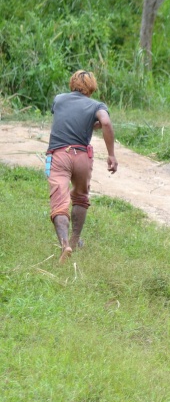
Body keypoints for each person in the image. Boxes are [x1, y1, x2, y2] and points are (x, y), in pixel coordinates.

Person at [46, 70, 118, 263]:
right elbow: (106, 122)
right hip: (82, 158)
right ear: (92, 88)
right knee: (80, 198)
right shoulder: (97, 105)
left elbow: (69, 117)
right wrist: (111, 154)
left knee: (59, 202)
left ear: (72, 84)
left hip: (59, 154)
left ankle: (64, 244)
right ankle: (75, 239)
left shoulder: (59, 99)